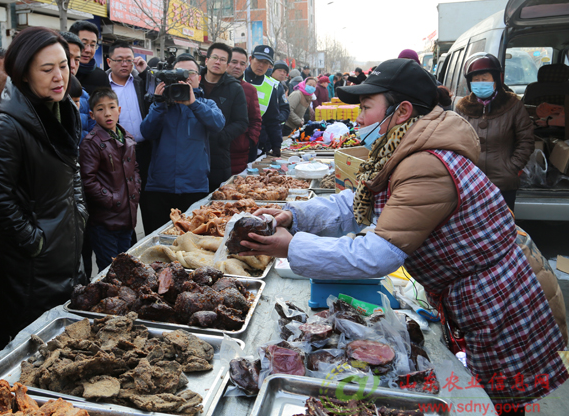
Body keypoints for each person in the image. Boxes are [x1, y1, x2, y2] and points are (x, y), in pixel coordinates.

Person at [239, 58, 567, 415]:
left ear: (402, 110)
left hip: (496, 298)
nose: (358, 118)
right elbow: (357, 203)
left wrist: (292, 245)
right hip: (473, 288)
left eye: (366, 107)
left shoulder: (427, 162)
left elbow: (378, 254)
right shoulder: (403, 147)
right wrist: (296, 215)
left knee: (497, 400)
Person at [0, 27, 86, 353]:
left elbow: (74, 169)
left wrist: (80, 213)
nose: (59, 76)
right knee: (35, 348)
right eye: (47, 69)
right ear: (24, 73)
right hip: (32, 263)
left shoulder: (63, 108)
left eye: (64, 66)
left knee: (65, 340)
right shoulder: (7, 126)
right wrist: (33, 240)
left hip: (66, 244)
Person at [139, 56, 225, 234]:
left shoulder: (206, 104)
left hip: (194, 186)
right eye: (179, 73)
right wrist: (159, 103)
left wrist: (193, 104)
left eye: (190, 73)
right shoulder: (160, 105)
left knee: (195, 240)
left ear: (198, 78)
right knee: (159, 240)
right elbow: (147, 132)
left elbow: (218, 124)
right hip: (160, 187)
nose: (185, 78)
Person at [455, 53, 535, 210]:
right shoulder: (462, 107)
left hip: (504, 181)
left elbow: (526, 139)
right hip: (471, 181)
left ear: (496, 80)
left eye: (484, 79)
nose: (480, 83)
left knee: (503, 227)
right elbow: (454, 141)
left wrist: (512, 167)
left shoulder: (513, 104)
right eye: (476, 80)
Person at [79, 88, 140, 270]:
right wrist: (112, 199)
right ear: (91, 114)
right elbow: (87, 180)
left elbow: (135, 169)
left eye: (111, 107)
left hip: (127, 217)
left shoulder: (127, 138)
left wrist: (135, 191)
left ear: (119, 110)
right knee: (110, 269)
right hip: (105, 220)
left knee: (126, 265)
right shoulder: (91, 143)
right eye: (100, 109)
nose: (107, 113)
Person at [201, 44, 249, 191]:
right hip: (190, 152)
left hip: (219, 155)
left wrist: (221, 136)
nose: (217, 62)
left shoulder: (234, 88)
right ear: (206, 60)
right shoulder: (193, 83)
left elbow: (242, 122)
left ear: (227, 65)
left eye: (222, 60)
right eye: (214, 58)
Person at [106, 41, 152, 181]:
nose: (125, 64)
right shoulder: (103, 86)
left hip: (145, 150)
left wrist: (146, 71)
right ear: (109, 62)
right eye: (119, 60)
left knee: (147, 195)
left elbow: (158, 88)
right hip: (118, 152)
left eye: (128, 60)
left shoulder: (141, 82)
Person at [244, 45, 289, 159]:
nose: (261, 65)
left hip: (256, 141)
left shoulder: (271, 86)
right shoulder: (238, 78)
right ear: (250, 59)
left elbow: (272, 119)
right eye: (259, 60)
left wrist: (276, 145)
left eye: (266, 63)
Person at [227, 47, 262, 175]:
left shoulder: (249, 89)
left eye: (242, 64)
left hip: (239, 152)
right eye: (234, 62)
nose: (237, 66)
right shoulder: (212, 85)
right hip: (213, 150)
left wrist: (248, 142)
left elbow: (256, 120)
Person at [62, 31, 94, 139]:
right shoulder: (43, 96)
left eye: (77, 60)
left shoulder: (84, 96)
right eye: (67, 57)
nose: (72, 65)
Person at [69, 20, 109, 94]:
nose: (88, 50)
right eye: (84, 43)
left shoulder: (101, 77)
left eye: (93, 45)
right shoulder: (62, 73)